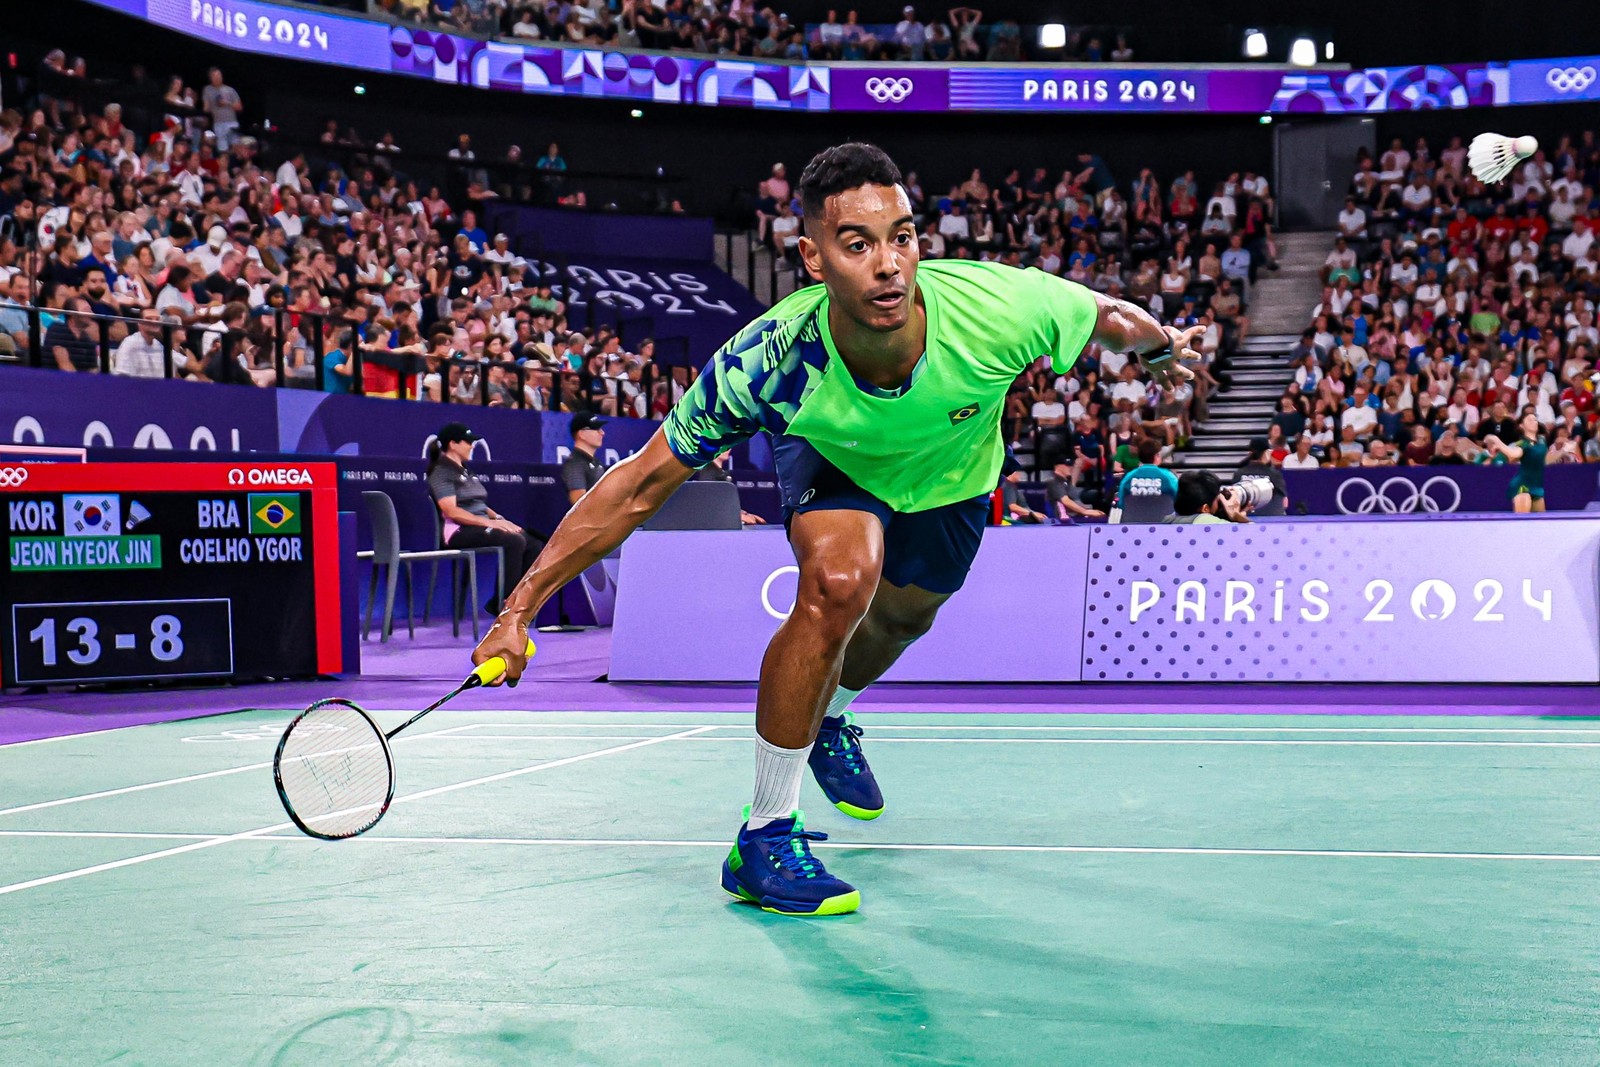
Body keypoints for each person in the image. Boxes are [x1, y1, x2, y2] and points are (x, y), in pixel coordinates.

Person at [469, 142, 1202, 917]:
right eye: (857, 244)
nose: (888, 264)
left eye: (903, 237)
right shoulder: (770, 359)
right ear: (813, 259)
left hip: (953, 477)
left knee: (907, 614)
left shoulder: (998, 308)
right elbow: (640, 483)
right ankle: (764, 834)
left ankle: (831, 719)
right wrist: (518, 608)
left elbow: (1109, 317)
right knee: (840, 582)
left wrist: (1159, 351)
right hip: (836, 456)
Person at [427, 423, 547, 612]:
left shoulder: (466, 471)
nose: (472, 446)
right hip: (458, 531)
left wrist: (499, 519)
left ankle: (503, 601)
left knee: (532, 543)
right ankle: (507, 606)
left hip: (479, 526)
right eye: (468, 442)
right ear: (453, 444)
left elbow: (480, 505)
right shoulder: (441, 472)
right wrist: (488, 522)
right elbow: (452, 511)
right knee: (514, 541)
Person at [1485, 412, 1548, 513]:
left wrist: (1563, 451)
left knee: (1542, 524)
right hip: (1522, 486)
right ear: (1522, 425)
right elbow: (1514, 454)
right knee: (1521, 523)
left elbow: (1546, 460)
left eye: (1535, 419)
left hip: (1537, 486)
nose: (1534, 421)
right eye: (1529, 420)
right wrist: (1497, 441)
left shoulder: (1541, 442)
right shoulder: (1523, 443)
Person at [1165, 470, 1250, 524]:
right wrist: (1235, 515)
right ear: (1205, 508)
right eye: (1217, 499)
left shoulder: (1168, 520)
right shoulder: (1206, 521)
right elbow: (1254, 537)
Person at [560, 412, 608, 505]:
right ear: (581, 434)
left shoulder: (596, 462)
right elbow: (579, 505)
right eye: (596, 429)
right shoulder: (575, 464)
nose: (602, 433)